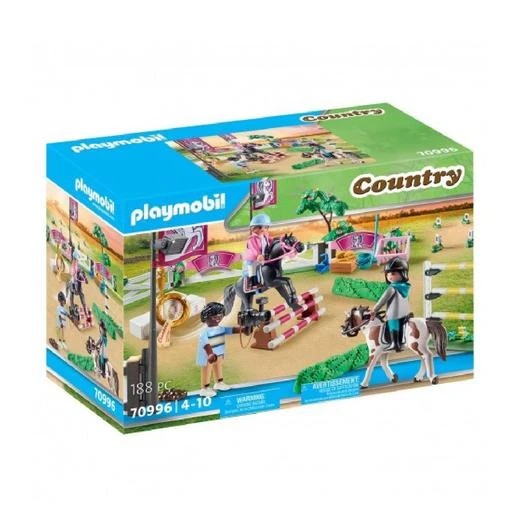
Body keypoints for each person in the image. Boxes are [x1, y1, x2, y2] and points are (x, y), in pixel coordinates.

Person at [197, 302, 245, 398]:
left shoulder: (221, 329)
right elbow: (205, 344)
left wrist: (243, 329)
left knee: (218, 368)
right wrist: (210, 354)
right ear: (206, 318)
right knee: (207, 371)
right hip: (208, 357)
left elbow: (231, 330)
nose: (218, 318)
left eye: (220, 315)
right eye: (214, 317)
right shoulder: (205, 333)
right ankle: (204, 388)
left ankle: (219, 383)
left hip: (219, 354)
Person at [371, 258, 411, 352]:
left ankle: (395, 343)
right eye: (387, 274)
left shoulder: (392, 287)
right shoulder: (405, 286)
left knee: (392, 322)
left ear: (402, 274)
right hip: (405, 312)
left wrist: (374, 310)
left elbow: (382, 300)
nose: (389, 276)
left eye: (393, 273)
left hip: (394, 313)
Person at [242, 213, 272, 290]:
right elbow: (254, 249)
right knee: (252, 269)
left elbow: (271, 241)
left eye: (266, 227)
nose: (264, 229)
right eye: (263, 227)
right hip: (252, 258)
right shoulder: (252, 239)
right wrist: (258, 255)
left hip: (262, 256)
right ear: (255, 228)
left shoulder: (265, 236)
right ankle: (252, 283)